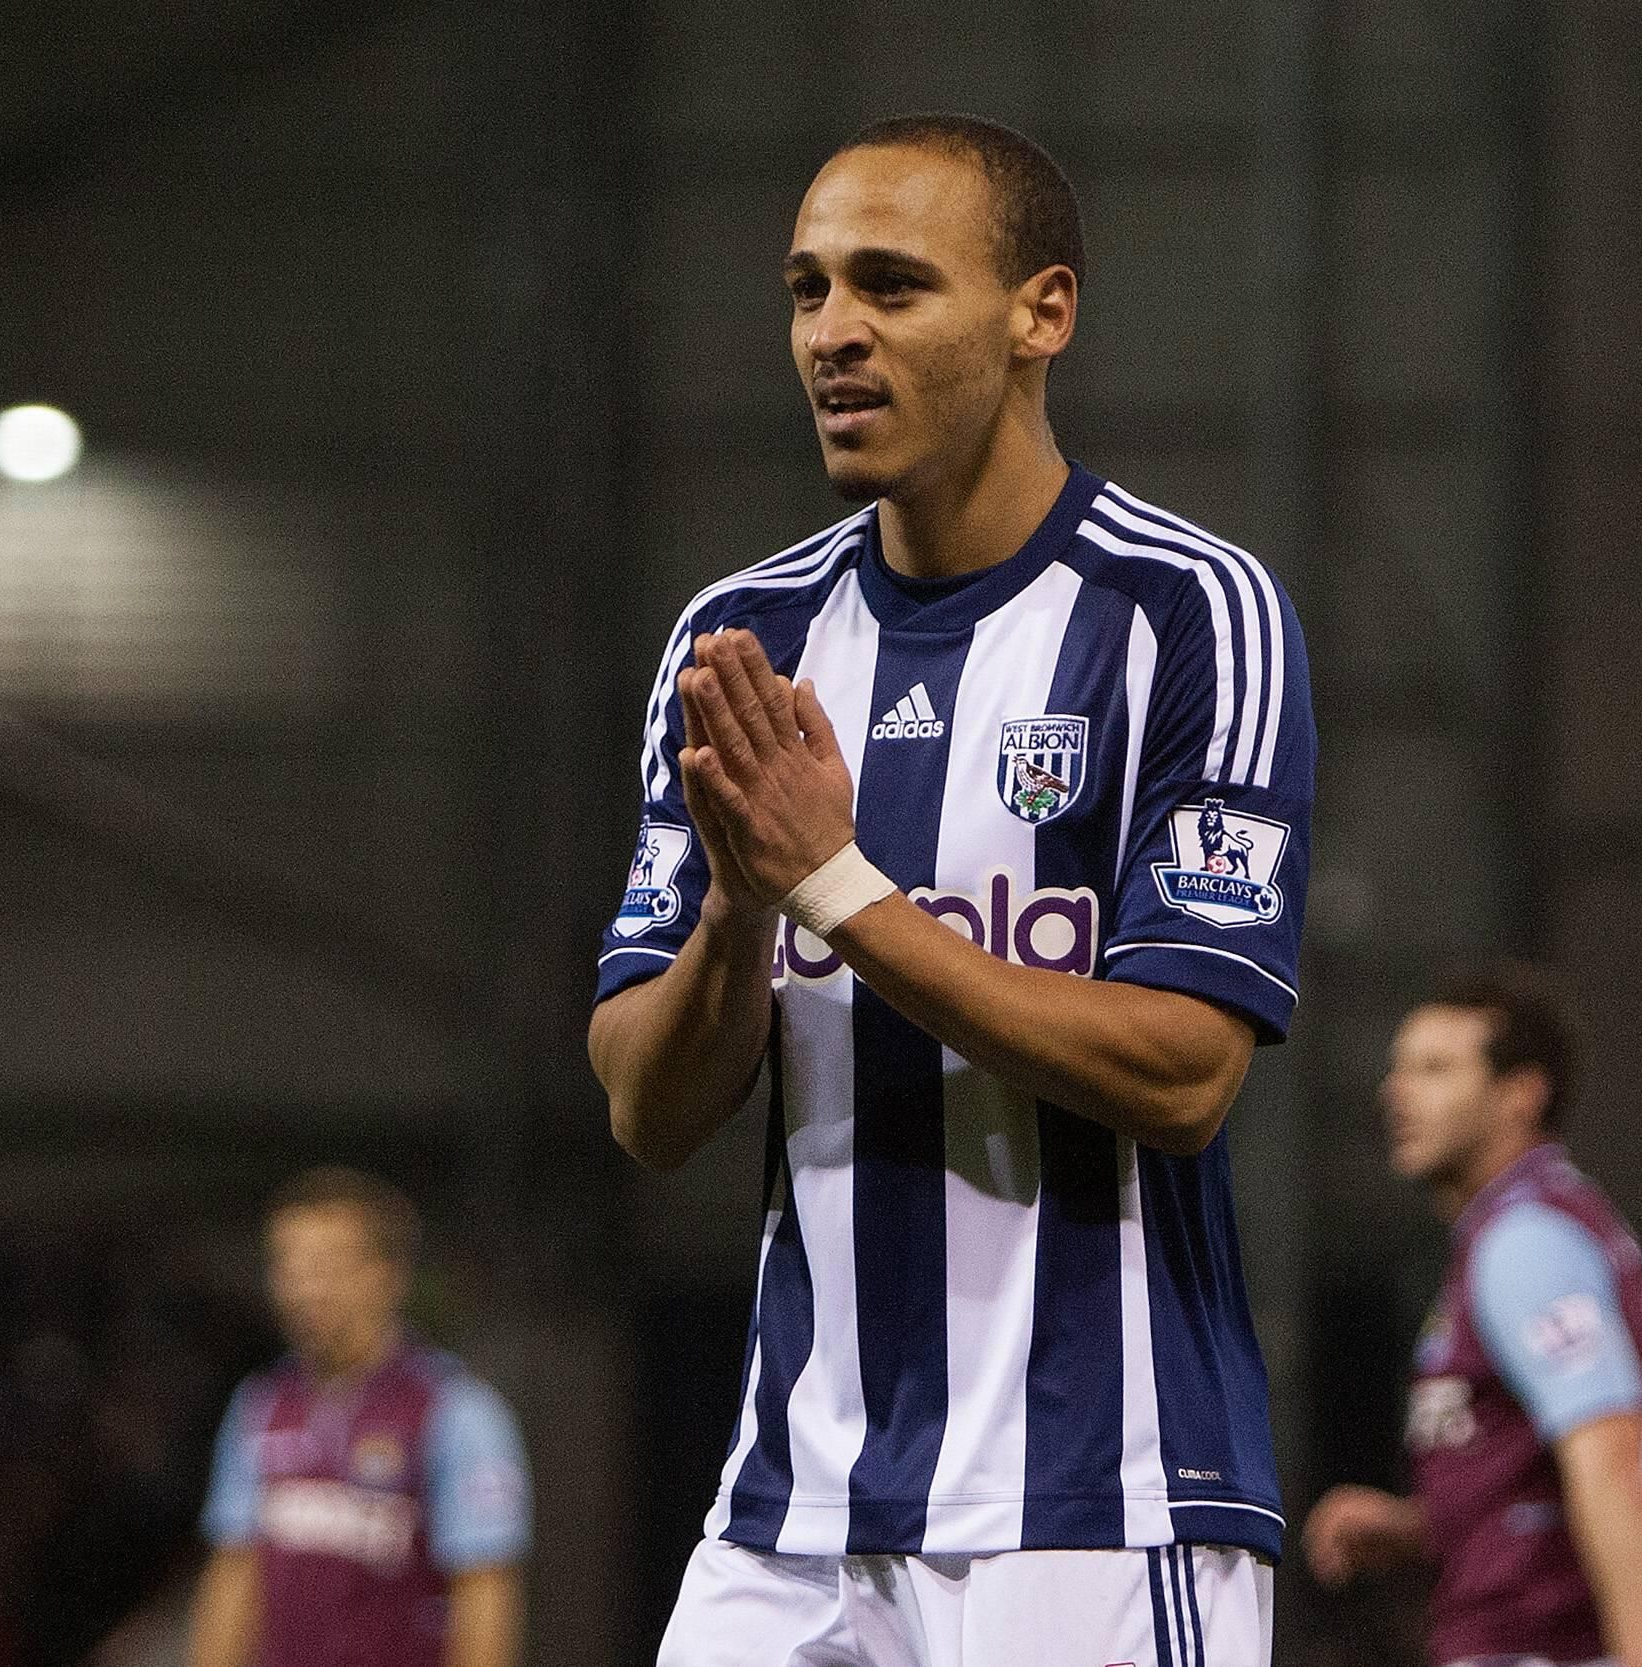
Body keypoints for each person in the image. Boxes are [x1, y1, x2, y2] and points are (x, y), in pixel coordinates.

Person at [588, 112, 1315, 1665]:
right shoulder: (742, 639)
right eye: (807, 289)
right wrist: (738, 907)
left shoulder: (1189, 612)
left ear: (1040, 312)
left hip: (1099, 1503)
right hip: (791, 1508)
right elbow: (648, 1112)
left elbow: (1186, 1073)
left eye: (893, 286)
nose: (833, 334)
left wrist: (833, 882)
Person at [1302, 969, 1642, 1667]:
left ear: (1519, 1096)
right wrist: (1421, 1524)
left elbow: (1613, 1461)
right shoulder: (1522, 1228)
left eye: (1436, 1068)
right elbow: (1537, 1477)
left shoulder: (1525, 1242)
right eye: (1399, 1068)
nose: (1397, 1091)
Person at [185, 1167, 529, 1667]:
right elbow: (235, 1573)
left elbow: (486, 1595)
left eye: (324, 1266)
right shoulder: (260, 1406)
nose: (302, 1290)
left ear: (387, 1274)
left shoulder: (457, 1413)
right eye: (287, 1266)